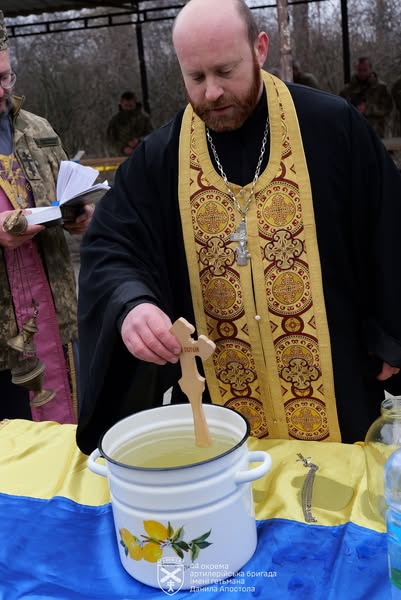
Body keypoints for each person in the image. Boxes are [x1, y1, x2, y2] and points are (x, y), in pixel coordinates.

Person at [76, 0, 401, 454]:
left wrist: (389, 331)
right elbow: (111, 247)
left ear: (260, 49)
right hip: (222, 413)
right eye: (196, 77)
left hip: (339, 390)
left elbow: (387, 228)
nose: (211, 93)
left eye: (225, 71)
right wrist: (132, 305)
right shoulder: (159, 159)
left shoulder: (332, 127)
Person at [0, 11, 94, 423]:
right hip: (4, 339)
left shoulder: (38, 129)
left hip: (54, 317)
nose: (1, 90)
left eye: (5, 77)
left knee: (63, 439)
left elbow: (63, 193)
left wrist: (77, 214)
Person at [339, 56, 393, 138]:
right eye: (360, 70)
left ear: (370, 69)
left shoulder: (381, 88)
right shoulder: (348, 89)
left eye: (365, 70)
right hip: (354, 131)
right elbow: (340, 107)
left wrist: (367, 108)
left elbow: (388, 108)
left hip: (376, 132)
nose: (362, 73)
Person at [106, 90, 153, 157]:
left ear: (135, 103)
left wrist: (139, 141)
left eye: (130, 105)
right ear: (121, 104)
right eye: (126, 105)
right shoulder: (115, 121)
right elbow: (110, 141)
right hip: (121, 158)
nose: (128, 108)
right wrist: (122, 149)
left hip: (143, 155)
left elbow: (152, 136)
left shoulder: (144, 118)